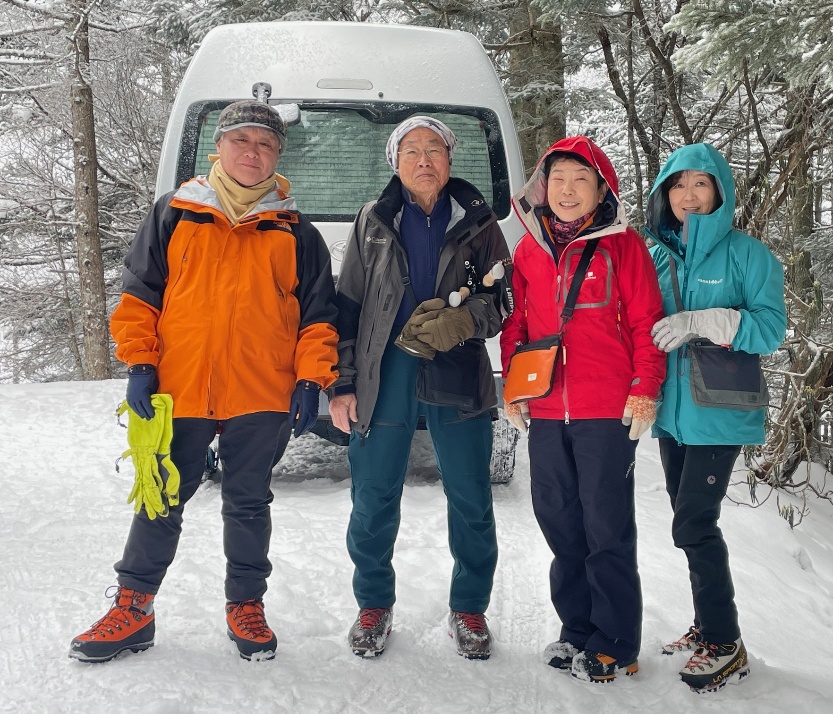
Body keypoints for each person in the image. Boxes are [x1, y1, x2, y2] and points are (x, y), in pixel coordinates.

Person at [69, 100, 340, 663]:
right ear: (219, 147)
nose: (252, 152)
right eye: (241, 140)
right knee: (160, 498)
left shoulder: (298, 233)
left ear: (277, 155)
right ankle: (134, 608)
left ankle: (246, 605)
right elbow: (140, 295)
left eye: (265, 144)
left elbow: (319, 317)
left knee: (248, 503)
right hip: (181, 388)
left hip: (262, 392)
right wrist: (140, 364)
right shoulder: (175, 214)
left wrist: (311, 379)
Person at [327, 116, 510, 660]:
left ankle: (469, 607)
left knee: (471, 495)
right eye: (412, 150)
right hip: (385, 371)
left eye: (434, 149)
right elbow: (348, 306)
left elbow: (503, 300)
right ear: (396, 161)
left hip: (457, 369)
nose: (424, 159)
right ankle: (373, 604)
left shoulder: (479, 221)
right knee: (373, 494)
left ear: (450, 160)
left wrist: (467, 319)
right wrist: (342, 382)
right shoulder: (373, 221)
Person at [499, 137, 666, 683]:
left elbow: (645, 321)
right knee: (560, 521)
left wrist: (645, 386)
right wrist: (514, 387)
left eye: (580, 179)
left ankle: (616, 642)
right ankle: (577, 630)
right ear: (542, 187)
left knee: (605, 525)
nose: (567, 190)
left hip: (605, 410)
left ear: (601, 189)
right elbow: (517, 324)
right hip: (548, 410)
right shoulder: (529, 249)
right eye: (558, 179)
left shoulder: (624, 246)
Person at [643, 142, 786, 692]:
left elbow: (770, 329)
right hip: (673, 415)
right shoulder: (656, 256)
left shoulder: (748, 255)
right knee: (688, 522)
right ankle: (707, 626)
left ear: (719, 193)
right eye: (678, 184)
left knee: (694, 525)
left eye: (700, 183)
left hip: (720, 413)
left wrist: (702, 321)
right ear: (665, 194)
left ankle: (726, 643)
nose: (689, 194)